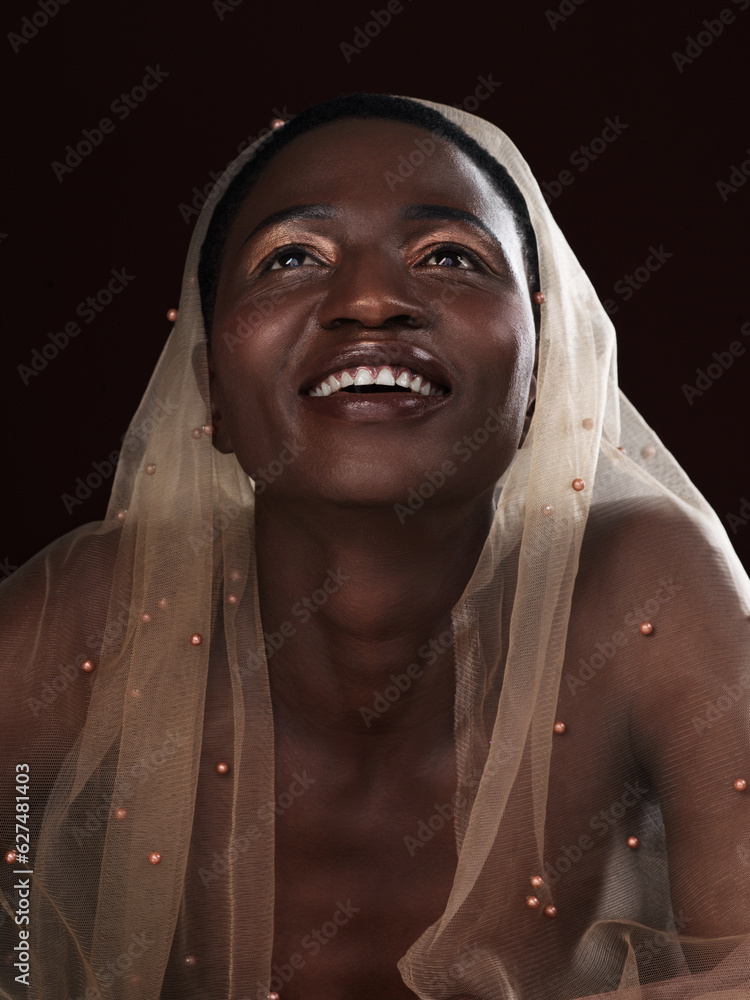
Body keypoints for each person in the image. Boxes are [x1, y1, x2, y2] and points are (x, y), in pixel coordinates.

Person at [1, 93, 749, 1000]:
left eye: (450, 257)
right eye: (290, 258)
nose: (370, 301)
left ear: (544, 375)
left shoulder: (648, 588)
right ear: (211, 398)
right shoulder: (82, 619)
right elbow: (18, 951)